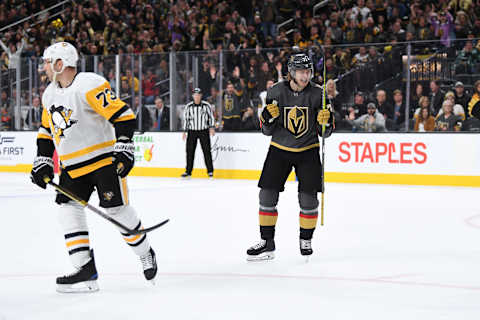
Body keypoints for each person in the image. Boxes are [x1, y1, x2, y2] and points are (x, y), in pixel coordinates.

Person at [29, 42, 157, 293]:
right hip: (72, 167)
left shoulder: (89, 84)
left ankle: (145, 253)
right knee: (67, 209)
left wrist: (124, 145)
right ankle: (85, 270)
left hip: (103, 162)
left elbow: (123, 115)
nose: (43, 66)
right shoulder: (49, 94)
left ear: (59, 64)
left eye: (47, 61)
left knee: (117, 211)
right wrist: (43, 159)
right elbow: (47, 130)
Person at [246, 53, 333, 261]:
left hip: (308, 150)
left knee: (308, 199)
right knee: (266, 195)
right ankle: (267, 242)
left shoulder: (319, 94)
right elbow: (267, 131)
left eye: (308, 72)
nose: (305, 76)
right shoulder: (275, 91)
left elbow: (325, 133)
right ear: (291, 73)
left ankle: (306, 239)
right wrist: (266, 118)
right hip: (279, 149)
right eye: (301, 72)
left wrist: (327, 122)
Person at [181, 88, 215, 179]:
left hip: (203, 130)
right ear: (193, 96)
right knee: (189, 152)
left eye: (198, 95)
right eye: (195, 95)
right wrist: (184, 131)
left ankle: (210, 171)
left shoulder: (206, 105)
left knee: (206, 151)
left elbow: (211, 117)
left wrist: (211, 127)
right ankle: (188, 171)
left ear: (201, 96)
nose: (197, 96)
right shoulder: (188, 106)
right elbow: (186, 119)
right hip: (192, 131)